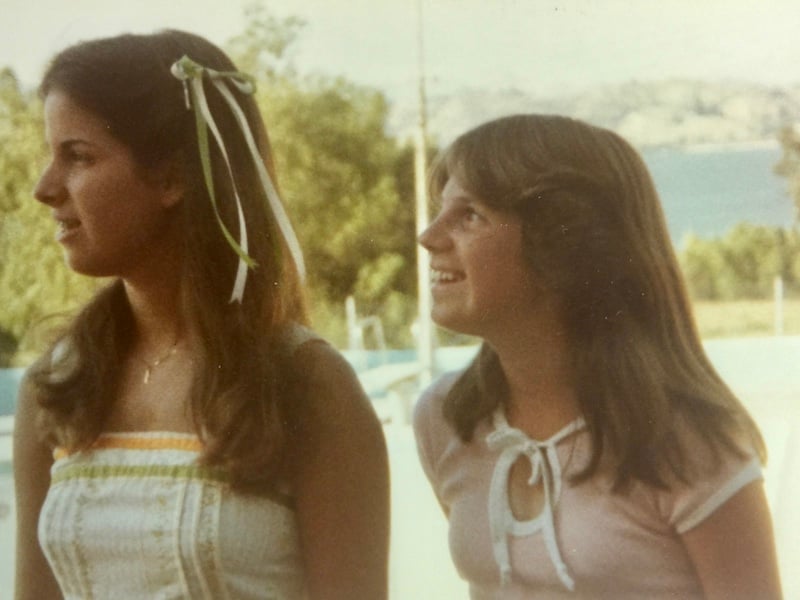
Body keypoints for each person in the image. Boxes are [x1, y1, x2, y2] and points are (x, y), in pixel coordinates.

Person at [14, 30, 389, 600]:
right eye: (52, 155)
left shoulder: (306, 384)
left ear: (173, 176)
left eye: (79, 156)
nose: (45, 188)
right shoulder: (58, 384)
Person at [414, 114, 782, 599]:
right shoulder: (448, 421)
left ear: (561, 247)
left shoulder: (686, 442)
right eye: (442, 210)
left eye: (470, 215)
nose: (429, 236)